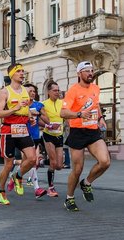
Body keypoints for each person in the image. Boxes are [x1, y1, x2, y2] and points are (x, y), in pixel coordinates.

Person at [60, 61, 111, 212]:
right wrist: (79, 114)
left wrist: (101, 118)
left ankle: (87, 183)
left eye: (91, 70)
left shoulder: (96, 88)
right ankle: (69, 198)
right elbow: (63, 113)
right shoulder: (73, 91)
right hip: (77, 132)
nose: (90, 73)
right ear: (79, 74)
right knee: (77, 169)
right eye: (86, 71)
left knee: (105, 162)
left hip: (93, 131)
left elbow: (96, 105)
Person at [0, 63, 37, 205]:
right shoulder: (4, 92)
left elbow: (27, 108)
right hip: (8, 130)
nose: (22, 73)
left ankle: (17, 176)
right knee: (8, 164)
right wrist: (15, 108)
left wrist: (30, 116)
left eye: (23, 71)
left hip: (23, 128)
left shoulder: (25, 90)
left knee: (32, 159)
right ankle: (0, 191)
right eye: (19, 71)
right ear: (12, 74)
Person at [41, 81, 65, 197]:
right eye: (55, 90)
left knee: (59, 165)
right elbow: (39, 121)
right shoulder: (44, 104)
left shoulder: (63, 103)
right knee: (53, 162)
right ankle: (51, 187)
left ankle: (41, 161)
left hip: (59, 135)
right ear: (49, 92)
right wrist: (48, 125)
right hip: (48, 135)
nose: (57, 92)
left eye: (58, 90)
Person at [23, 83, 47, 199]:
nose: (32, 93)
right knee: (32, 161)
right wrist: (27, 114)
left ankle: (14, 176)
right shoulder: (21, 105)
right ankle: (37, 188)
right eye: (30, 91)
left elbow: (46, 120)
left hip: (36, 136)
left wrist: (40, 115)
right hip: (23, 136)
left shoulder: (38, 105)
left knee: (30, 162)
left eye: (34, 91)